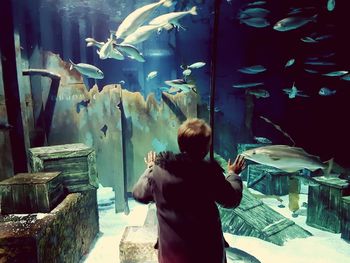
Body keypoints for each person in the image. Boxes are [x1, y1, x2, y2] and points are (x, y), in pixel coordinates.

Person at [132, 118, 246, 263]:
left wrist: (150, 168)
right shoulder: (209, 173)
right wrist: (233, 174)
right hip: (207, 254)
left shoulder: (158, 172)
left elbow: (139, 194)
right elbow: (231, 199)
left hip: (172, 254)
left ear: (180, 144)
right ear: (206, 147)